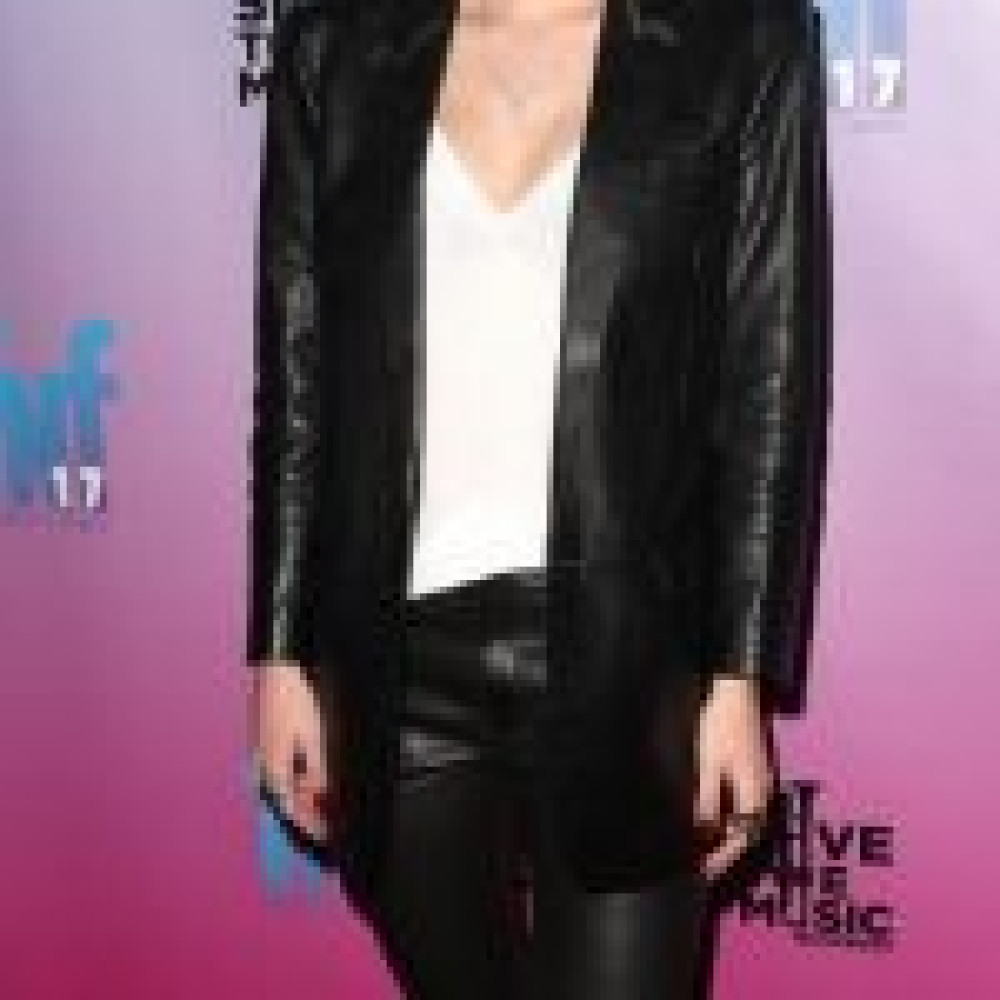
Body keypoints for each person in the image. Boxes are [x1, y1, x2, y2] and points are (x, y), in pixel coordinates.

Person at [247, 0, 833, 997]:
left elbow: (769, 378)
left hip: (632, 657)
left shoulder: (742, 39)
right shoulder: (334, 44)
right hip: (395, 667)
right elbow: (296, 372)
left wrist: (738, 678)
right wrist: (278, 653)